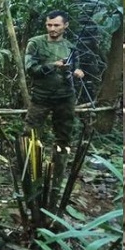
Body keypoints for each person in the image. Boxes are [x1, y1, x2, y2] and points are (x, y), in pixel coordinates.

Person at [24, 10, 84, 150]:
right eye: (49, 25)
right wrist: (52, 65)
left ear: (65, 25)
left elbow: (74, 69)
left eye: (56, 25)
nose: (52, 29)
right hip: (41, 96)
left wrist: (77, 72)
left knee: (64, 137)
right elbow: (31, 69)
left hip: (65, 97)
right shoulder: (36, 43)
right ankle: (28, 168)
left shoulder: (71, 47)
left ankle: (58, 170)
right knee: (30, 135)